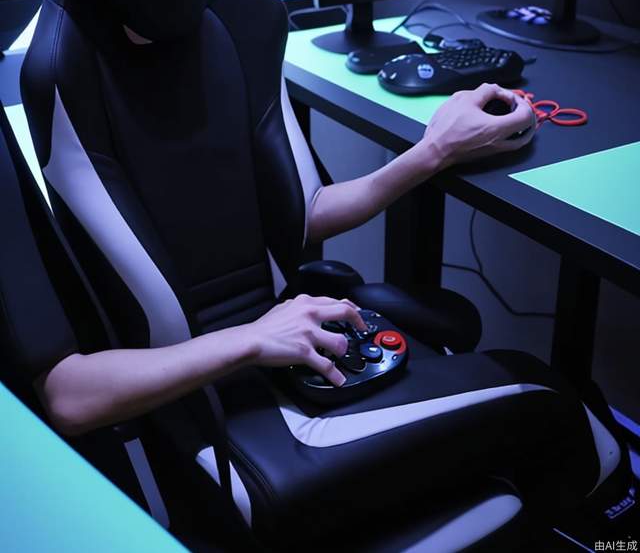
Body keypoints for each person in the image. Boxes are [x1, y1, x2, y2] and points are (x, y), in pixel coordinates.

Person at [34, 82, 536, 437]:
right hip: (199, 396)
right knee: (538, 390)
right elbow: (67, 398)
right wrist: (251, 338)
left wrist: (436, 150)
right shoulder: (63, 69)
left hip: (254, 345)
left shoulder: (240, 20)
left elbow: (305, 212)